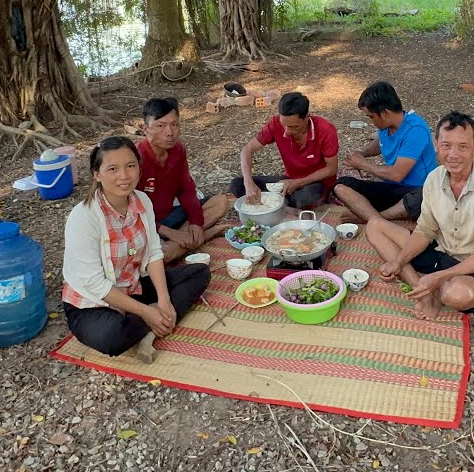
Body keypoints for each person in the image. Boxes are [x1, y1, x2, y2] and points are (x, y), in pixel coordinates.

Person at [62, 136, 211, 362]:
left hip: (133, 286)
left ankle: (152, 324)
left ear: (139, 169)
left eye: (130, 166)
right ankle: (152, 320)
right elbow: (94, 284)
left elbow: (153, 251)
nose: (124, 176)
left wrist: (163, 299)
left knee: (199, 272)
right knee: (112, 337)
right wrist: (145, 312)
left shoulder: (141, 201)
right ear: (96, 174)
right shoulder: (84, 217)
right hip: (93, 303)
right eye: (112, 168)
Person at [365, 111, 474, 320]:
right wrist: (398, 261)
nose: (453, 154)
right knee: (374, 225)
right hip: (440, 251)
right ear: (436, 144)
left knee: (457, 294)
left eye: (463, 147)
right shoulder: (434, 178)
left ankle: (432, 287)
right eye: (446, 145)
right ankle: (424, 291)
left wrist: (438, 277)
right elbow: (425, 229)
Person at [137, 97, 231, 262]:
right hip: (146, 225)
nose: (169, 132)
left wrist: (195, 222)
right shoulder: (135, 158)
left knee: (221, 202)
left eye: (174, 125)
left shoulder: (178, 150)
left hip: (172, 216)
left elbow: (186, 190)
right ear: (146, 129)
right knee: (160, 256)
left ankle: (187, 239)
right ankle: (204, 235)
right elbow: (131, 212)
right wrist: (169, 232)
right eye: (160, 126)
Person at [333, 81, 438, 222]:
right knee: (341, 186)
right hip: (391, 188)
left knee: (423, 198)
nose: (371, 121)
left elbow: (396, 175)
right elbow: (381, 143)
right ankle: (375, 215)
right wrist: (362, 153)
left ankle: (373, 218)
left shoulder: (416, 130)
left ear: (385, 113)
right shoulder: (386, 126)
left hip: (414, 191)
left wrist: (363, 165)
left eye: (371, 117)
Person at [230, 91, 339, 209]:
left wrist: (298, 183)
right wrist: (248, 183)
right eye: (284, 125)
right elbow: (247, 149)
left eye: (294, 127)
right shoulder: (275, 123)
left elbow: (331, 169)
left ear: (307, 117)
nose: (287, 131)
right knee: (237, 185)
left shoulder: (326, 130)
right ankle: (280, 202)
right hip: (288, 180)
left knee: (307, 196)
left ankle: (275, 202)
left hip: (316, 183)